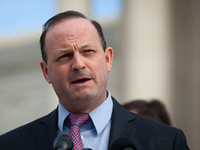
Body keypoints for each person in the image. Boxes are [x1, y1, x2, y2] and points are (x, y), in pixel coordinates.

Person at [0, 10, 189, 150]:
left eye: (88, 51)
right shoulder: (10, 145)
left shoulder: (167, 141)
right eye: (64, 56)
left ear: (107, 59)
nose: (78, 64)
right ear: (46, 71)